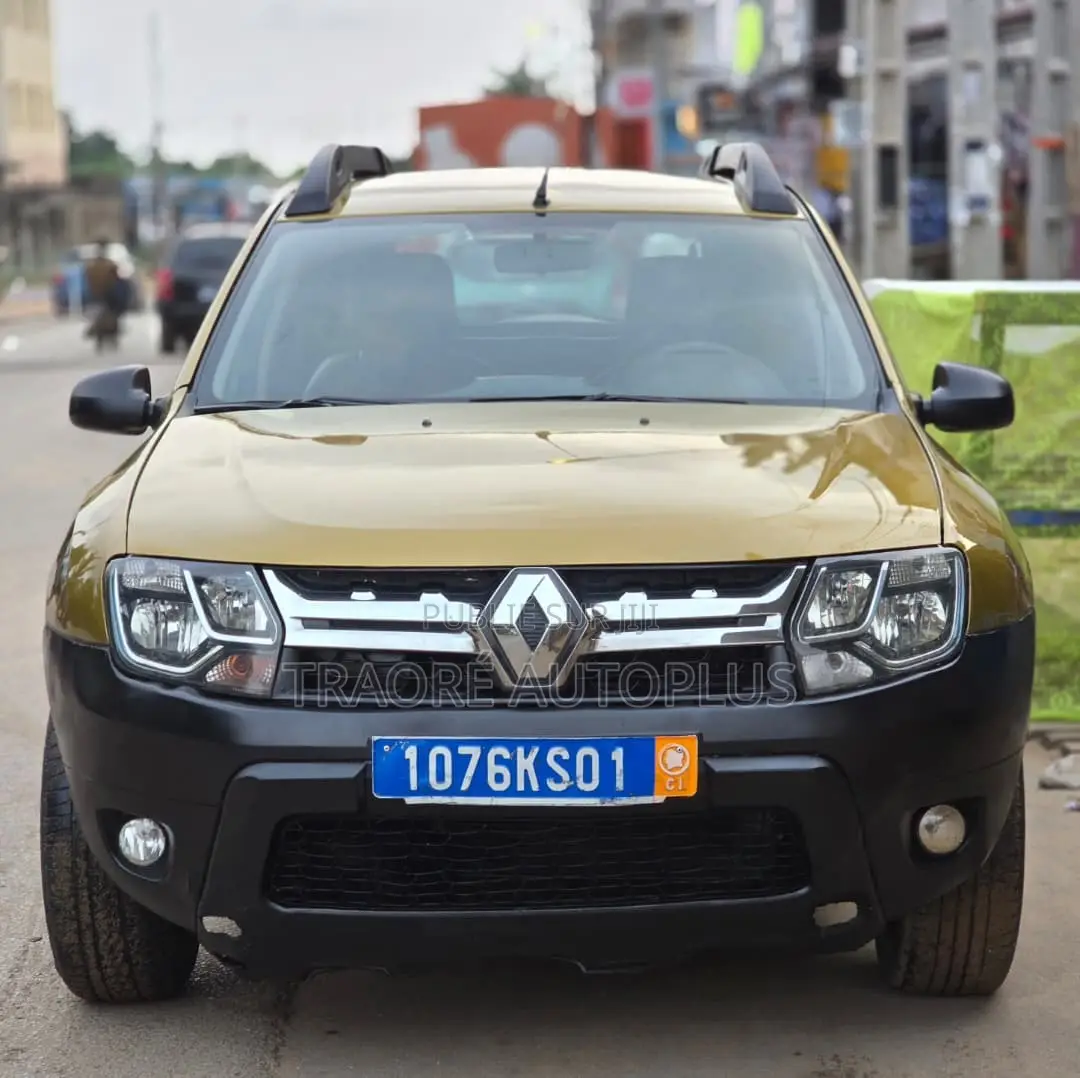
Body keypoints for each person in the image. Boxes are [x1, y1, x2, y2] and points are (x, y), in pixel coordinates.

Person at [83, 239, 123, 344]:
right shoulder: (107, 265)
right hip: (105, 293)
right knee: (118, 302)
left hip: (98, 293)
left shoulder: (93, 265)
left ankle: (107, 326)